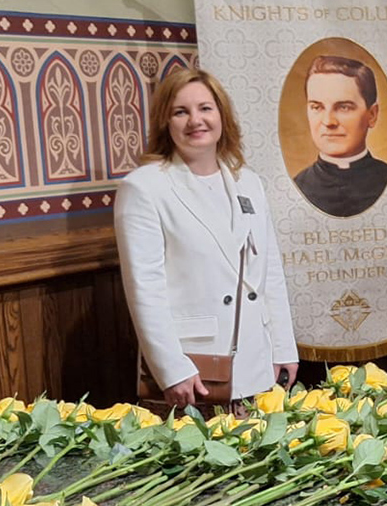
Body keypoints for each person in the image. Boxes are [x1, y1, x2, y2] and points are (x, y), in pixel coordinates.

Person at [115, 68, 299, 409]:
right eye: (180, 112)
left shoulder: (249, 182)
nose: (195, 120)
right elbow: (145, 288)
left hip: (256, 363)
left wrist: (283, 348)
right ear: (165, 122)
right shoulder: (144, 187)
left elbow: (269, 272)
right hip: (192, 371)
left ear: (222, 115)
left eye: (205, 108)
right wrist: (171, 369)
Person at [293, 55, 387, 217]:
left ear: (372, 115)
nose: (328, 122)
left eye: (344, 107)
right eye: (317, 107)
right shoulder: (298, 187)